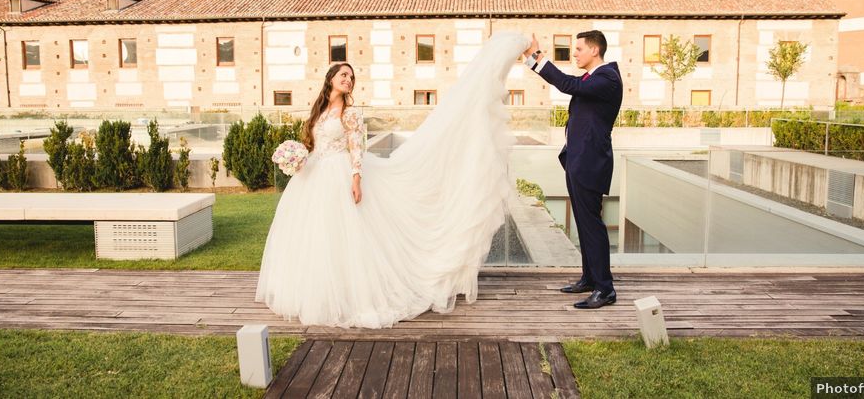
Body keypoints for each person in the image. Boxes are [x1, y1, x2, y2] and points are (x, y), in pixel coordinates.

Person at [256, 32, 529, 328]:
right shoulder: (319, 112)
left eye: (351, 77)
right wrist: (297, 158)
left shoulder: (349, 114)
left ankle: (355, 293)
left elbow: (356, 146)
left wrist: (356, 178)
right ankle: (323, 289)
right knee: (318, 234)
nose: (348, 79)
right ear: (330, 79)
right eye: (343, 75)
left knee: (346, 234)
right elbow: (314, 145)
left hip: (341, 174)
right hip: (314, 177)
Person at [522, 30, 622, 309]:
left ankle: (605, 289)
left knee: (592, 226)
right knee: (584, 223)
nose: (574, 53)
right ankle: (590, 278)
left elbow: (568, 85)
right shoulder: (594, 78)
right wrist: (531, 61)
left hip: (591, 163)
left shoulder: (608, 78)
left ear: (594, 50)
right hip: (579, 161)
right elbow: (572, 85)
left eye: (578, 49)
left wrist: (538, 57)